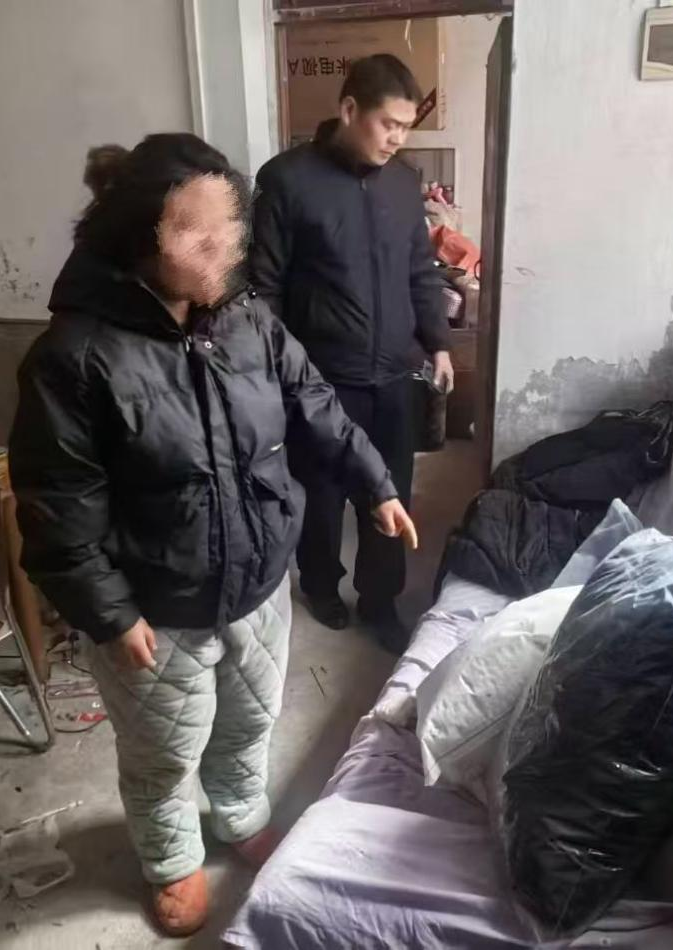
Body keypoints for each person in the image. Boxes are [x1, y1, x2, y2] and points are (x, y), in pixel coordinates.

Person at [8, 133, 417, 938]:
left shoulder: (248, 319)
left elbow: (313, 402)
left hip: (259, 584)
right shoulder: (73, 359)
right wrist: (108, 613)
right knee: (163, 749)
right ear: (138, 241)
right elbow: (58, 503)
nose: (223, 245)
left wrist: (374, 482)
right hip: (156, 607)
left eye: (228, 224)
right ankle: (170, 860)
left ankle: (239, 814)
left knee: (250, 721)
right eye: (194, 233)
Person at [250, 53, 453, 652]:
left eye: (406, 127)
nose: (397, 138)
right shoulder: (287, 181)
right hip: (320, 378)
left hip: (392, 374)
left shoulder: (403, 183)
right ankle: (320, 584)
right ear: (348, 109)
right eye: (388, 123)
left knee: (389, 491)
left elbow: (421, 271)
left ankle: (380, 599)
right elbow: (265, 286)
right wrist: (280, 372)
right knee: (321, 494)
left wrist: (438, 344)